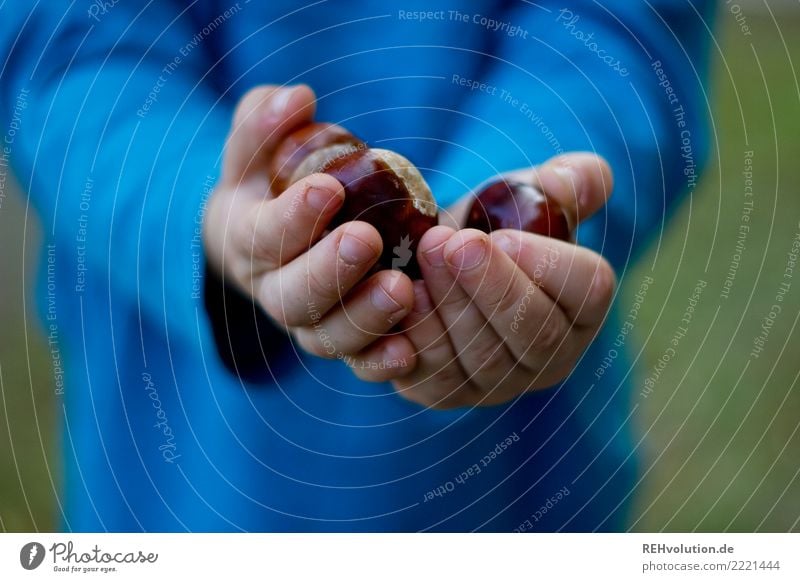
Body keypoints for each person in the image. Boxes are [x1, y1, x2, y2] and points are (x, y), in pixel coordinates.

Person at [0, 1, 712, 531]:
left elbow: (621, 32)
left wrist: (491, 232)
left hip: (515, 485)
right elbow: (65, 51)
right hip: (182, 462)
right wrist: (201, 208)